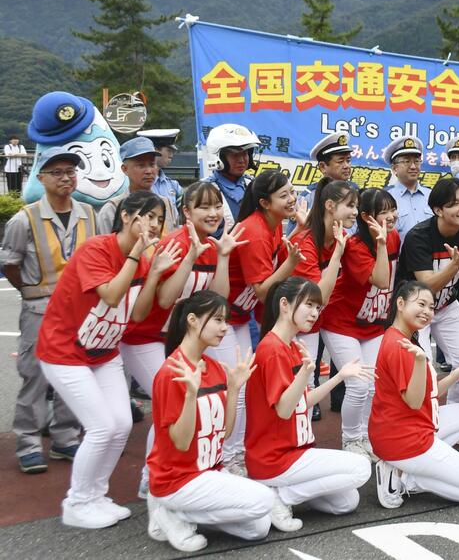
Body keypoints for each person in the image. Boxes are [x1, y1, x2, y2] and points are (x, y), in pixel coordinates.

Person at [36, 191, 181, 528]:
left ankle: (96, 495)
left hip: (104, 351)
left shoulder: (145, 259)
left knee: (121, 424)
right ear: (128, 217)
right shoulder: (97, 249)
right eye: (149, 216)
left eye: (160, 219)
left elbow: (141, 312)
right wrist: (136, 257)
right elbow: (113, 295)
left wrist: (155, 272)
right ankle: (77, 502)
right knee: (102, 427)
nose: (155, 225)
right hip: (63, 352)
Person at [119, 181, 246, 497]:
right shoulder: (175, 244)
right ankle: (153, 477)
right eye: (204, 206)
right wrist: (190, 256)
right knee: (168, 407)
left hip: (177, 341)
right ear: (186, 212)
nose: (213, 212)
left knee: (204, 398)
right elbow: (164, 300)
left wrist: (225, 256)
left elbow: (218, 300)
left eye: (217, 205)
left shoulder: (213, 244)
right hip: (145, 338)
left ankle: (205, 465)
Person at [147, 291, 272, 552]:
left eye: (225, 320)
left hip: (210, 471)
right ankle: (171, 511)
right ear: (192, 320)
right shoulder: (172, 372)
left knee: (258, 527)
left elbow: (224, 434)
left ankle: (185, 514)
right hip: (179, 479)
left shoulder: (213, 367)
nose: (225, 327)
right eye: (217, 320)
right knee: (264, 499)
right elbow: (181, 442)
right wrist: (191, 394)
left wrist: (235, 389)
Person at [246, 277, 372, 532]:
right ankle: (279, 497)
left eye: (318, 307)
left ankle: (285, 492)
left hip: (295, 453)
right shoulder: (271, 348)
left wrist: (339, 376)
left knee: (347, 502)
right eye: (309, 305)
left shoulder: (291, 345)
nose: (315, 313)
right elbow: (284, 409)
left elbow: (304, 401)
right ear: (285, 304)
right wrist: (305, 373)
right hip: (275, 458)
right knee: (360, 468)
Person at [2, 147, 93, 473]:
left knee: (74, 375)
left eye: (71, 171)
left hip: (78, 308)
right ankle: (28, 443)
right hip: (40, 306)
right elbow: (10, 264)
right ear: (40, 178)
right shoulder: (23, 219)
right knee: (35, 377)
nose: (66, 177)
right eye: (57, 172)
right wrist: (30, 290)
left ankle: (65, 438)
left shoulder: (88, 214)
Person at [370, 281, 459, 509]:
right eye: (421, 304)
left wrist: (456, 375)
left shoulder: (402, 337)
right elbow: (414, 402)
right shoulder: (400, 346)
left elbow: (427, 394)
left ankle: (403, 468)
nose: (427, 312)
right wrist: (421, 361)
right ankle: (404, 479)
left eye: (431, 307)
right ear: (401, 303)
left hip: (405, 430)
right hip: (405, 440)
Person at [217, 169, 304, 473]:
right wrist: (291, 263)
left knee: (243, 386)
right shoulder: (254, 230)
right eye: (284, 195)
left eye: (292, 191)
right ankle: (228, 458)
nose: (292, 198)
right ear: (265, 203)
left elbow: (276, 258)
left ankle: (237, 453)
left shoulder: (276, 225)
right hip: (221, 319)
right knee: (235, 389)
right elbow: (264, 290)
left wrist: (295, 236)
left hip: (239, 317)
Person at [319, 188, 400, 460]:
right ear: (366, 217)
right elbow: (379, 280)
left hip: (373, 323)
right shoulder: (355, 246)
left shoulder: (395, 237)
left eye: (393, 210)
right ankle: (351, 440)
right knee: (358, 385)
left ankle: (365, 435)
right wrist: (380, 244)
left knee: (375, 385)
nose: (391, 216)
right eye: (383, 212)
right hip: (341, 323)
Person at [399, 178, 459, 403]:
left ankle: (457, 417)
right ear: (438, 210)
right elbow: (426, 287)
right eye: (455, 204)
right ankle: (421, 424)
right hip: (414, 309)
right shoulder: (418, 236)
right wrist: (453, 266)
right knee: (422, 367)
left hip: (446, 305)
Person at [291, 178, 357, 419]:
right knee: (296, 389)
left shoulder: (342, 236)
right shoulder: (306, 242)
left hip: (314, 324)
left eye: (356, 205)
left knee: (309, 384)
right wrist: (338, 252)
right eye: (349, 205)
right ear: (330, 205)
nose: (355, 212)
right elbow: (319, 297)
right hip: (291, 328)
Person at [96, 137, 179, 233]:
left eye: (152, 164)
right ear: (125, 169)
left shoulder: (166, 204)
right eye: (141, 165)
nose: (149, 171)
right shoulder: (112, 209)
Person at [203, 123, 261, 234]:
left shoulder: (254, 185)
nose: (242, 160)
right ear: (219, 157)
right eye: (235, 155)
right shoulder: (204, 190)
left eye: (245, 153)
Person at [383, 136, 432, 241]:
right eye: (406, 162)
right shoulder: (386, 197)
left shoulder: (432, 195)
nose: (413, 166)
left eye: (417, 161)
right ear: (394, 169)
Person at [295, 133, 355, 218]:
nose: (347, 166)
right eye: (340, 161)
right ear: (323, 167)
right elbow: (297, 230)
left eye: (348, 161)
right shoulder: (307, 198)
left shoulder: (355, 191)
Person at [138, 129, 183, 206]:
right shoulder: (138, 183)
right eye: (169, 150)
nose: (171, 154)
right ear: (154, 150)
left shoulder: (173, 185)